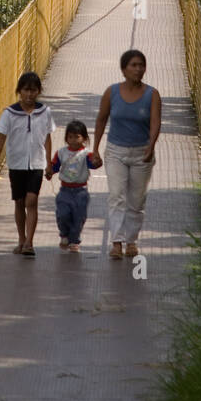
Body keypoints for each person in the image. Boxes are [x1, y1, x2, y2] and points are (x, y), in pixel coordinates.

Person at [93, 49, 161, 260]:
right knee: (116, 196)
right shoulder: (111, 92)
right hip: (116, 152)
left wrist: (151, 146)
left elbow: (155, 123)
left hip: (142, 152)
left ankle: (132, 241)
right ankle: (116, 242)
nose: (138, 69)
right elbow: (101, 119)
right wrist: (94, 149)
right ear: (123, 69)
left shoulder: (152, 94)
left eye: (141, 65)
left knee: (136, 200)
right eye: (133, 65)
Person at [0, 71, 55, 257]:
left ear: (39, 91)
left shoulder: (44, 112)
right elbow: (1, 137)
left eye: (33, 91)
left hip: (36, 163)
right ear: (19, 91)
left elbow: (48, 137)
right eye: (26, 90)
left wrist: (49, 162)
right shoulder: (10, 113)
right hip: (16, 163)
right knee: (19, 202)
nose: (29, 95)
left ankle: (29, 242)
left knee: (32, 201)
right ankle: (21, 239)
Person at [46, 120, 102, 251]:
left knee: (79, 216)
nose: (73, 140)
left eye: (77, 137)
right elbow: (54, 166)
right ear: (66, 138)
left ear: (84, 138)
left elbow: (93, 164)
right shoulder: (61, 153)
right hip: (65, 190)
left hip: (81, 191)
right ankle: (64, 234)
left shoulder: (86, 154)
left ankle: (74, 240)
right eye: (70, 137)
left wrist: (97, 162)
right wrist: (49, 172)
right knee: (63, 214)